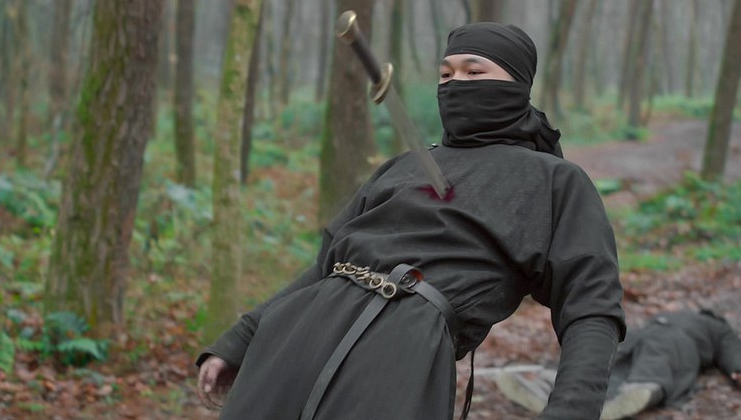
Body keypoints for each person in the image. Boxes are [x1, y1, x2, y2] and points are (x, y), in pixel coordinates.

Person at [195, 22, 627, 420]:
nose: (455, 83)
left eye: (474, 72)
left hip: (402, 352)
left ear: (516, 84)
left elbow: (591, 309)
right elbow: (323, 268)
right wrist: (239, 340)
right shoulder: (402, 167)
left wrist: (571, 411)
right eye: (446, 74)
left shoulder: (552, 182)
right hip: (299, 336)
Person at [496, 309, 741, 420]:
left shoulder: (718, 329)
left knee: (656, 360)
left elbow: (733, 353)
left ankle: (638, 391)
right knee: (605, 355)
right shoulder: (675, 315)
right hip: (642, 335)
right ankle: (550, 387)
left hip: (677, 342)